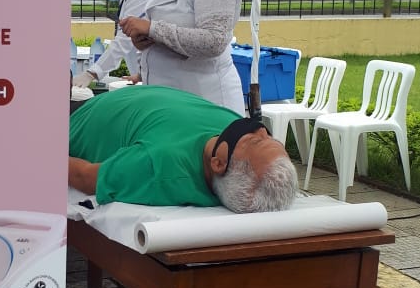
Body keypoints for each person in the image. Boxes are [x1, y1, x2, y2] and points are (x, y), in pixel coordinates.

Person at [68, 85, 297, 211]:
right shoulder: (227, 138)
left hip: (75, 118)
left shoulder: (160, 166)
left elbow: (85, 177)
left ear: (218, 164)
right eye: (271, 137)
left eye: (255, 141)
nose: (259, 130)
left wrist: (46, 151)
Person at [72, 0, 156, 87]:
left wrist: (92, 73)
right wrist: (140, 75)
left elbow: (123, 41)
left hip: (158, 75)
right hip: (147, 73)